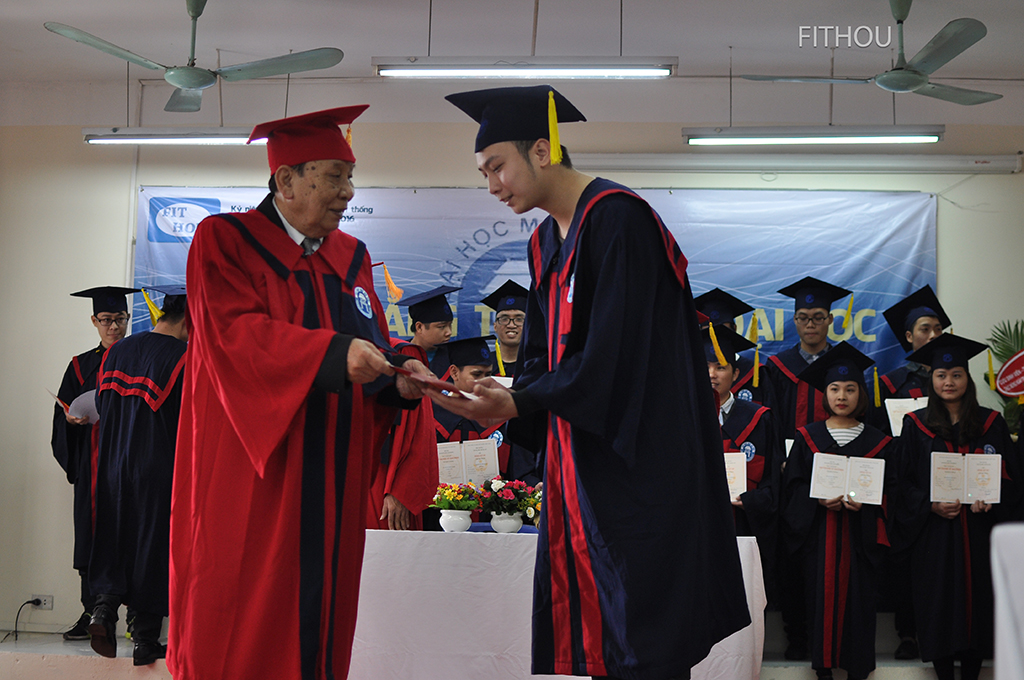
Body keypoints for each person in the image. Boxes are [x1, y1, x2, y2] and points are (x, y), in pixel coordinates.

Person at [439, 84, 750, 680]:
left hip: (638, 462)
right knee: (601, 630)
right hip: (578, 462)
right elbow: (537, 358)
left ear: (542, 149)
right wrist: (503, 399)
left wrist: (524, 399)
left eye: (497, 166)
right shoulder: (544, 242)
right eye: (484, 174)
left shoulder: (617, 219)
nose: (492, 186)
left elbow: (619, 356)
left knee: (644, 634)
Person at [168, 106, 429, 680]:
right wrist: (334, 356)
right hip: (258, 470)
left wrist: (397, 380)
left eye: (350, 177)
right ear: (286, 180)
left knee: (323, 616)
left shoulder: (351, 257)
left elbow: (368, 347)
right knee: (244, 607)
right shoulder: (225, 241)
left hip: (332, 474)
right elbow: (233, 335)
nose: (348, 192)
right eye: (334, 176)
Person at [893, 334, 1019, 680]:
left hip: (979, 531)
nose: (948, 382)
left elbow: (1011, 478)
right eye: (941, 375)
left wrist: (992, 498)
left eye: (956, 375)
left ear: (967, 378)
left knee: (979, 601)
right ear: (931, 380)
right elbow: (901, 484)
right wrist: (929, 505)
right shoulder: (916, 425)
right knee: (938, 602)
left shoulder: (991, 424)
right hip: (934, 535)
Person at [88, 285, 189, 665]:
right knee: (152, 544)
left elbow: (101, 404)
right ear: (191, 318)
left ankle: (103, 611)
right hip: (157, 463)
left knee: (113, 533)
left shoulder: (117, 351)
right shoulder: (184, 357)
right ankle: (144, 639)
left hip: (113, 462)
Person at [781, 342, 894, 680]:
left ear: (862, 394)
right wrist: (814, 500)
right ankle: (824, 670)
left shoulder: (879, 442)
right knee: (820, 601)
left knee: (859, 603)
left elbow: (893, 494)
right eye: (834, 388)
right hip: (819, 541)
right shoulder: (807, 438)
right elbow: (791, 490)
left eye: (850, 388)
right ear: (824, 394)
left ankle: (857, 670)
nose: (842, 396)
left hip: (860, 542)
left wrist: (870, 503)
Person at [765, 276, 851, 661]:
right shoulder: (778, 368)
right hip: (793, 478)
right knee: (794, 554)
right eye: (803, 317)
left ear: (830, 320)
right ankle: (797, 636)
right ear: (795, 321)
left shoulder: (845, 369)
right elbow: (768, 423)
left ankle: (835, 636)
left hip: (838, 479)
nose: (811, 324)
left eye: (818, 317)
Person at [51, 286, 139, 640]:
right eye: (106, 320)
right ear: (94, 321)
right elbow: (61, 412)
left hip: (132, 464)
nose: (113, 327)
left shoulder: (141, 359)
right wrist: (71, 421)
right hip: (93, 466)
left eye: (119, 319)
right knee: (90, 536)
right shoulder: (80, 366)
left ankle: (136, 618)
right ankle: (91, 613)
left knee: (134, 535)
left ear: (128, 319)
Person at [871, 284, 950, 660]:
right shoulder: (890, 386)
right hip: (903, 489)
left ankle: (944, 632)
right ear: (908, 336)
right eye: (924, 329)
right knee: (906, 562)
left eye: (938, 329)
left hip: (946, 488)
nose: (932, 335)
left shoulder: (952, 385)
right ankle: (908, 634)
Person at [705, 323, 781, 601]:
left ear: (736, 374)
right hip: (698, 525)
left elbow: (774, 482)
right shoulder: (683, 418)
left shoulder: (759, 419)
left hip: (745, 527)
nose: (712, 374)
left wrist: (751, 501)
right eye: (705, 366)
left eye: (721, 367)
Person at [364, 336, 439, 531]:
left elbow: (420, 431)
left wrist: (401, 491)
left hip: (382, 483)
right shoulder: (336, 347)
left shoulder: (401, 352)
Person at [695, 287, 773, 406]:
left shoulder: (756, 373)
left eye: (722, 328)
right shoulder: (691, 370)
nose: (716, 336)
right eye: (709, 330)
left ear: (734, 329)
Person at [398, 285, 459, 376]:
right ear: (419, 327)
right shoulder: (399, 355)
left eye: (450, 325)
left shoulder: (455, 358)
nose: (449, 332)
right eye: (442, 327)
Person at [481, 279, 529, 380]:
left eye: (519, 319)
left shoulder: (535, 366)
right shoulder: (482, 365)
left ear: (528, 326)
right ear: (495, 326)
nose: (511, 325)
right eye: (504, 319)